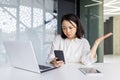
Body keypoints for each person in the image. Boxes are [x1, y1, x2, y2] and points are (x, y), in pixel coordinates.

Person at [47, 14, 113, 67]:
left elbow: (86, 61)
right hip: (59, 72)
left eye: (70, 27)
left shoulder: (83, 42)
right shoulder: (58, 39)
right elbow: (50, 57)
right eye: (64, 28)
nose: (67, 31)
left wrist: (96, 43)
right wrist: (54, 61)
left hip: (77, 73)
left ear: (77, 27)